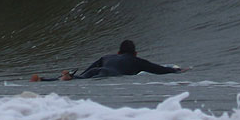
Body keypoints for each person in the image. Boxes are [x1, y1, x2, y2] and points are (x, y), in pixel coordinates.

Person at [30, 40, 186, 81]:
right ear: (135, 53)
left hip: (95, 70)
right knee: (80, 80)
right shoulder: (136, 61)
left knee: (79, 78)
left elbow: (87, 70)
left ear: (118, 52)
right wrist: (177, 70)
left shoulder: (107, 57)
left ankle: (43, 79)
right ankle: (67, 77)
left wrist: (79, 75)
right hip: (108, 73)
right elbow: (159, 69)